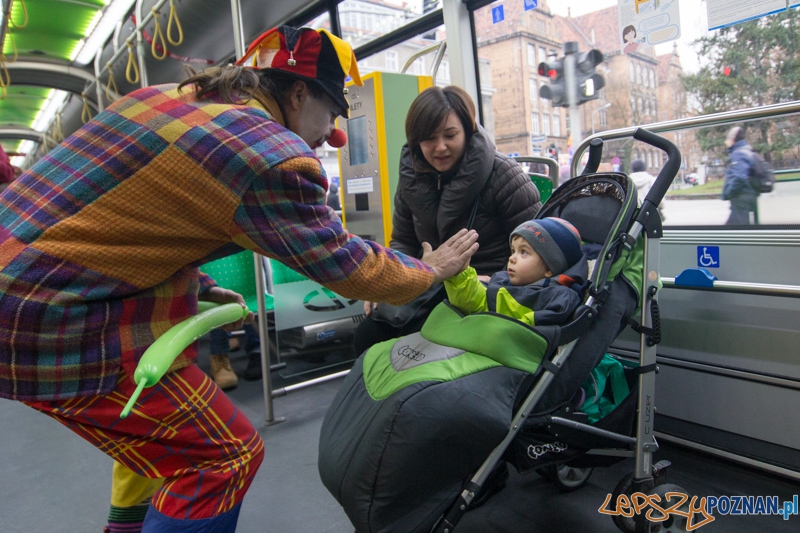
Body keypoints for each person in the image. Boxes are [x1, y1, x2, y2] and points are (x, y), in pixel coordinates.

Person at [0, 25, 478, 533]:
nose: (327, 136)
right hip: (48, 318)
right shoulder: (271, 154)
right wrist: (432, 270)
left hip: (26, 284)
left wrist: (199, 289)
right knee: (221, 459)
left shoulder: (162, 99)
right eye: (332, 114)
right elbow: (346, 265)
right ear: (297, 93)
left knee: (166, 456)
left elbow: (109, 217)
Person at [354, 85, 541, 354]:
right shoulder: (411, 181)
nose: (440, 147)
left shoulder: (504, 175)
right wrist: (388, 285)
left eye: (450, 135)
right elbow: (403, 241)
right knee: (369, 336)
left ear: (468, 131)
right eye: (429, 138)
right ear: (416, 140)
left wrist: (500, 280)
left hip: (489, 292)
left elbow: (539, 247)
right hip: (432, 287)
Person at [445, 217, 587, 327]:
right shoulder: (503, 280)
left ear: (549, 268)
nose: (512, 258)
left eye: (523, 252)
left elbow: (522, 332)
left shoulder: (558, 298)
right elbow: (478, 303)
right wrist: (461, 275)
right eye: (513, 251)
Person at [721, 126, 758, 225]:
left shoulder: (738, 154)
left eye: (727, 139)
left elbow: (740, 177)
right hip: (748, 197)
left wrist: (729, 192)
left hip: (741, 199)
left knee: (733, 232)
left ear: (733, 139)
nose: (726, 142)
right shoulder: (747, 150)